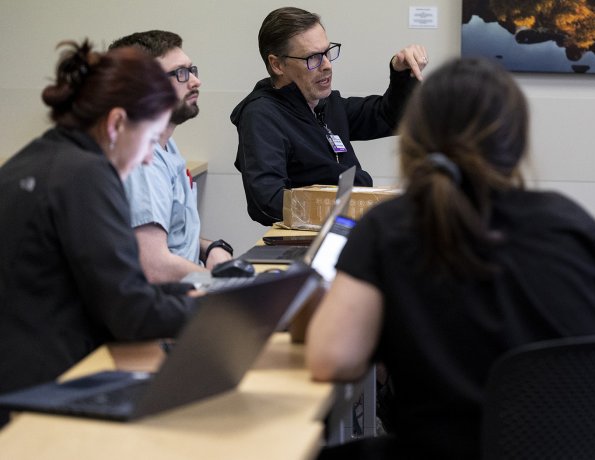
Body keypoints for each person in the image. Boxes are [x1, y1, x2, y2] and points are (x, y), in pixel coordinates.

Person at [306, 57, 595, 459]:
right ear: (516, 141)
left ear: (415, 137)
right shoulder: (575, 224)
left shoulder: (388, 228)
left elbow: (331, 360)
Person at [0, 40, 198, 425]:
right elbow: (130, 311)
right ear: (116, 124)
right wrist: (216, 312)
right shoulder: (86, 175)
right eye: (149, 139)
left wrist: (186, 295)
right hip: (37, 396)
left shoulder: (37, 160)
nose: (146, 158)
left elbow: (110, 286)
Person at [230, 7, 429, 226]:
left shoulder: (325, 104)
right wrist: (353, 205)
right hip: (310, 238)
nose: (326, 65)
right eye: (313, 58)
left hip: (348, 226)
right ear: (277, 65)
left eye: (327, 52)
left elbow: (388, 117)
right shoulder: (262, 115)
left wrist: (401, 73)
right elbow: (266, 202)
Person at [109, 31, 233, 283]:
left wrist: (210, 247)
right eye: (180, 73)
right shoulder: (143, 163)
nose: (195, 81)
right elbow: (154, 266)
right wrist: (220, 285)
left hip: (187, 291)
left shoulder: (166, 143)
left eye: (192, 70)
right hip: (169, 306)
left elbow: (169, 232)